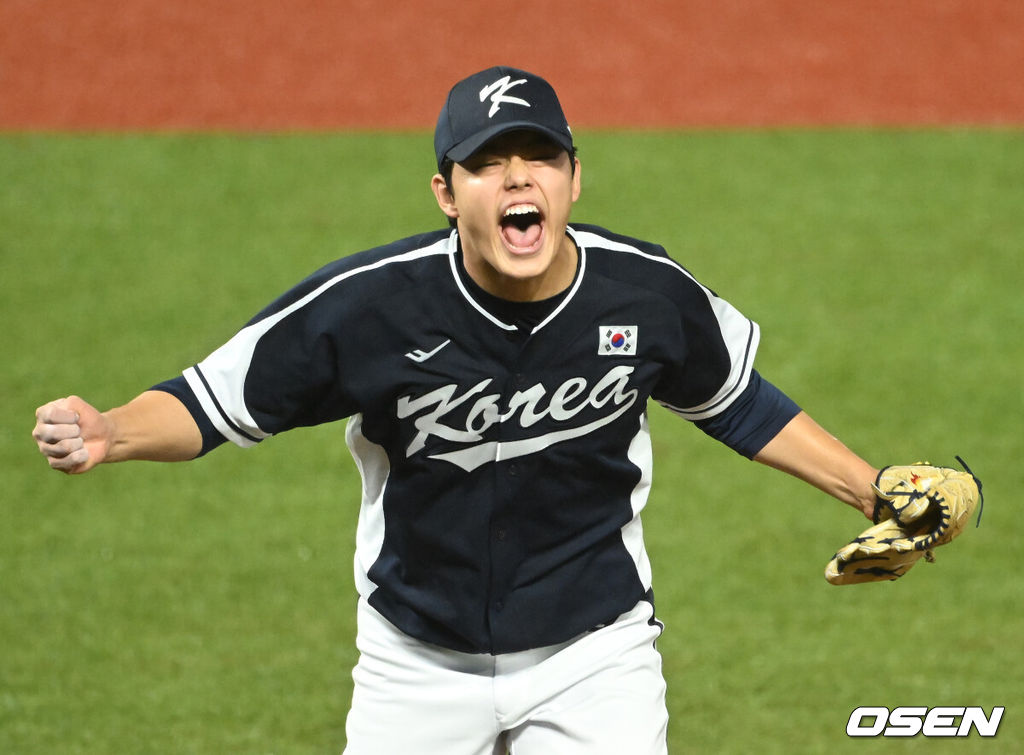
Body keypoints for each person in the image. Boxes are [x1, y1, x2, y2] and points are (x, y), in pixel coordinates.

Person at [33, 66, 879, 754]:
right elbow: (213, 402)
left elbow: (739, 403)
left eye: (540, 156)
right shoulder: (369, 309)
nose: (518, 177)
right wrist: (113, 430)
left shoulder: (644, 294)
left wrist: (872, 488)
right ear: (446, 192)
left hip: (594, 653)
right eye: (488, 162)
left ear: (574, 177)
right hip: (415, 664)